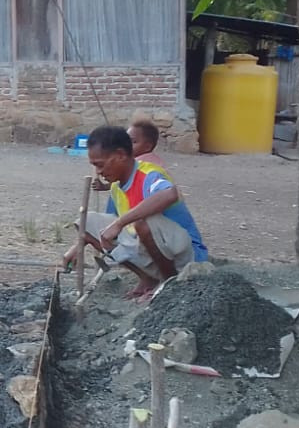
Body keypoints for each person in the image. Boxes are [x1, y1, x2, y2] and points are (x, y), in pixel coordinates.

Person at [64, 125, 209, 299]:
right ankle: (148, 278)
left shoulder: (149, 174)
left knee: (143, 222)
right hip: (151, 250)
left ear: (120, 155)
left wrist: (120, 223)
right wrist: (78, 245)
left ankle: (169, 282)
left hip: (184, 254)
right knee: (87, 223)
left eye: (100, 165)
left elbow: (169, 194)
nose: (98, 172)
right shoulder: (117, 185)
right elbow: (108, 230)